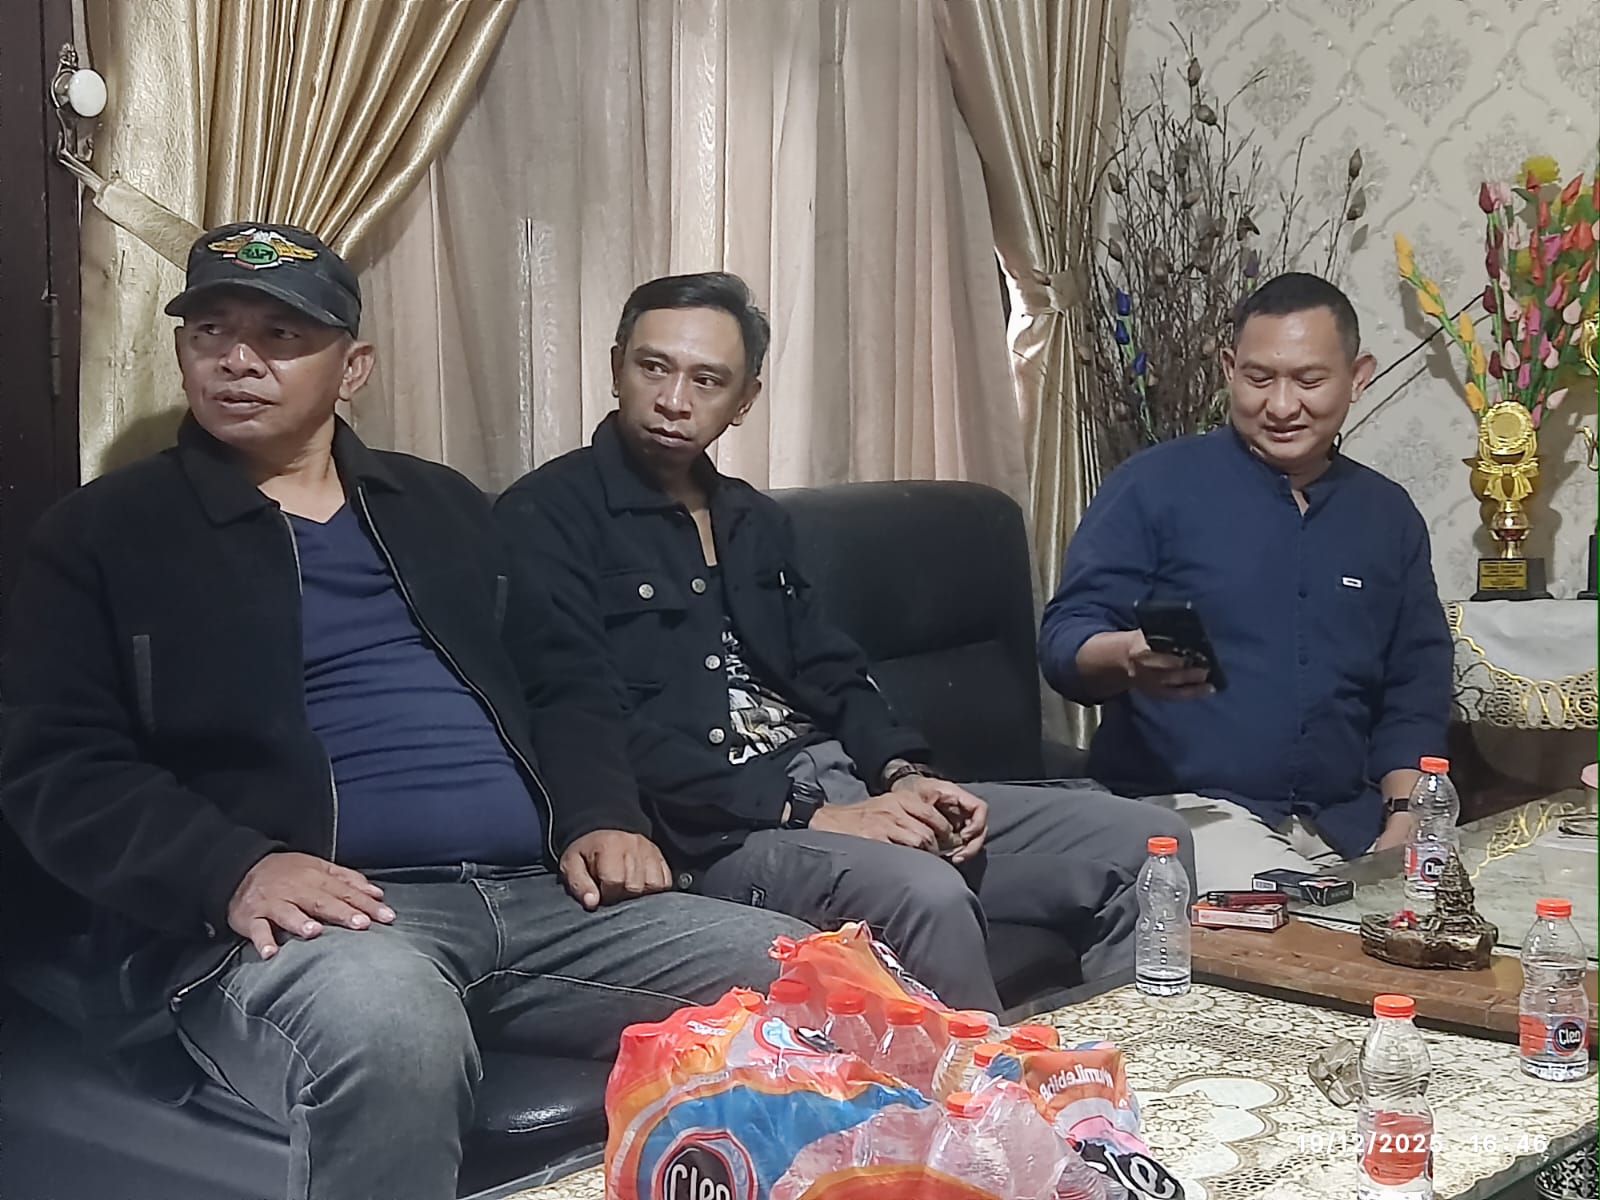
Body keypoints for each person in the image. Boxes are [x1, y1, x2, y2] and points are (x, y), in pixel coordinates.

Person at [0, 225, 809, 1200]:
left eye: (281, 336)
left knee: (815, 984)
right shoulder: (106, 533)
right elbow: (57, 764)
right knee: (391, 1033)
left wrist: (601, 812)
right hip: (315, 925)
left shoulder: (442, 507)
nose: (238, 359)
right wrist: (231, 865)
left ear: (354, 368)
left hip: (544, 898)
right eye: (211, 331)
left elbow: (564, 681)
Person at [494, 271, 1193, 1014]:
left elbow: (832, 669)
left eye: (707, 380)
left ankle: (1143, 1073)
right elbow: (581, 712)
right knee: (927, 893)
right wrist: (812, 814)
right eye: (653, 367)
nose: (673, 400)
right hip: (725, 832)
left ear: (744, 400)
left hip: (844, 787)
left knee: (1148, 841)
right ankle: (988, 1089)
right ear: (616, 369)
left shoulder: (752, 520)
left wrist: (904, 774)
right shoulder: (547, 517)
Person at [1039, 272, 1453, 892]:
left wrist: (1406, 817)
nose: (1281, 406)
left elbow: (1414, 683)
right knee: (1305, 925)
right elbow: (1064, 640)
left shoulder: (1386, 514)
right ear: (1230, 369)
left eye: (1308, 381)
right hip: (1192, 813)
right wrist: (1127, 655)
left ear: (1357, 376)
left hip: (1348, 821)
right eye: (1259, 379)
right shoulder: (1154, 486)